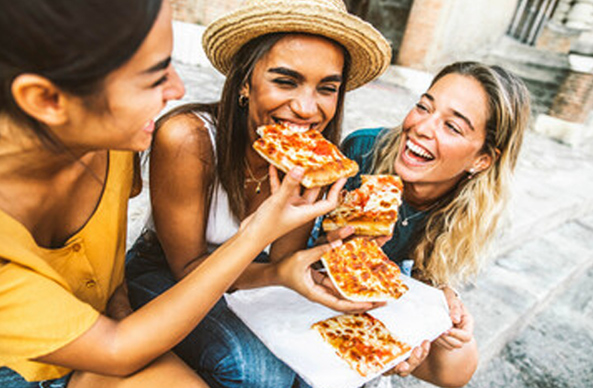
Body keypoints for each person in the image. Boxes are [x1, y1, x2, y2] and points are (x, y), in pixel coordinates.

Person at [0, 0, 345, 387]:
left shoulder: (114, 144)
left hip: (113, 325)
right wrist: (258, 233)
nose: (179, 89)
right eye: (152, 75)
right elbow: (115, 348)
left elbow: (109, 281)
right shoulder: (173, 137)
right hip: (25, 366)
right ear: (46, 100)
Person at [124, 0, 395, 387]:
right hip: (168, 272)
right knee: (260, 373)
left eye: (327, 89)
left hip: (252, 275)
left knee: (326, 366)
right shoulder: (188, 138)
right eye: (285, 81)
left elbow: (284, 259)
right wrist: (278, 272)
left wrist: (342, 248)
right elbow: (187, 267)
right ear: (245, 83)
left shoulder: (312, 161)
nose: (306, 108)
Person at [336, 61, 531, 386]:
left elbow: (454, 375)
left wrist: (445, 316)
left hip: (370, 303)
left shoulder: (468, 211)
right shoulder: (362, 151)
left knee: (453, 360)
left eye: (452, 127)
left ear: (482, 159)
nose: (422, 127)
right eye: (423, 107)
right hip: (313, 284)